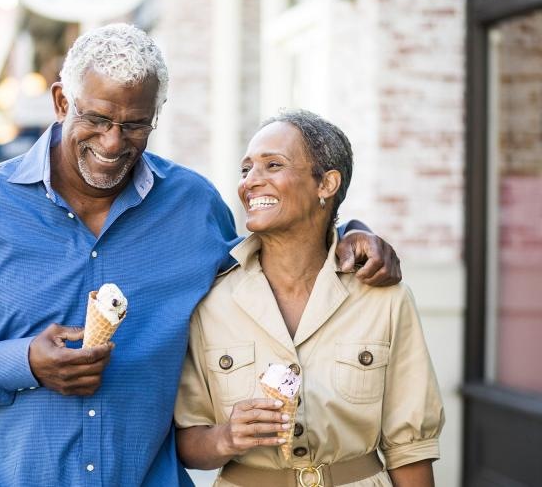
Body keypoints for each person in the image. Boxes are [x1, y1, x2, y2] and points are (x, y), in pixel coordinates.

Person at [0, 24, 402, 486]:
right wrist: (21, 362)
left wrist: (347, 233)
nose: (113, 143)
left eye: (135, 125)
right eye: (97, 118)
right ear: (62, 102)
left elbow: (272, 264)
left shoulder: (192, 206)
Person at [175, 110, 444, 486]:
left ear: (326, 184)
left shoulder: (384, 298)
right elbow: (187, 439)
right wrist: (227, 437)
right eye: (246, 169)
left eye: (273, 165)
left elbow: (410, 450)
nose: (251, 181)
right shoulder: (211, 301)